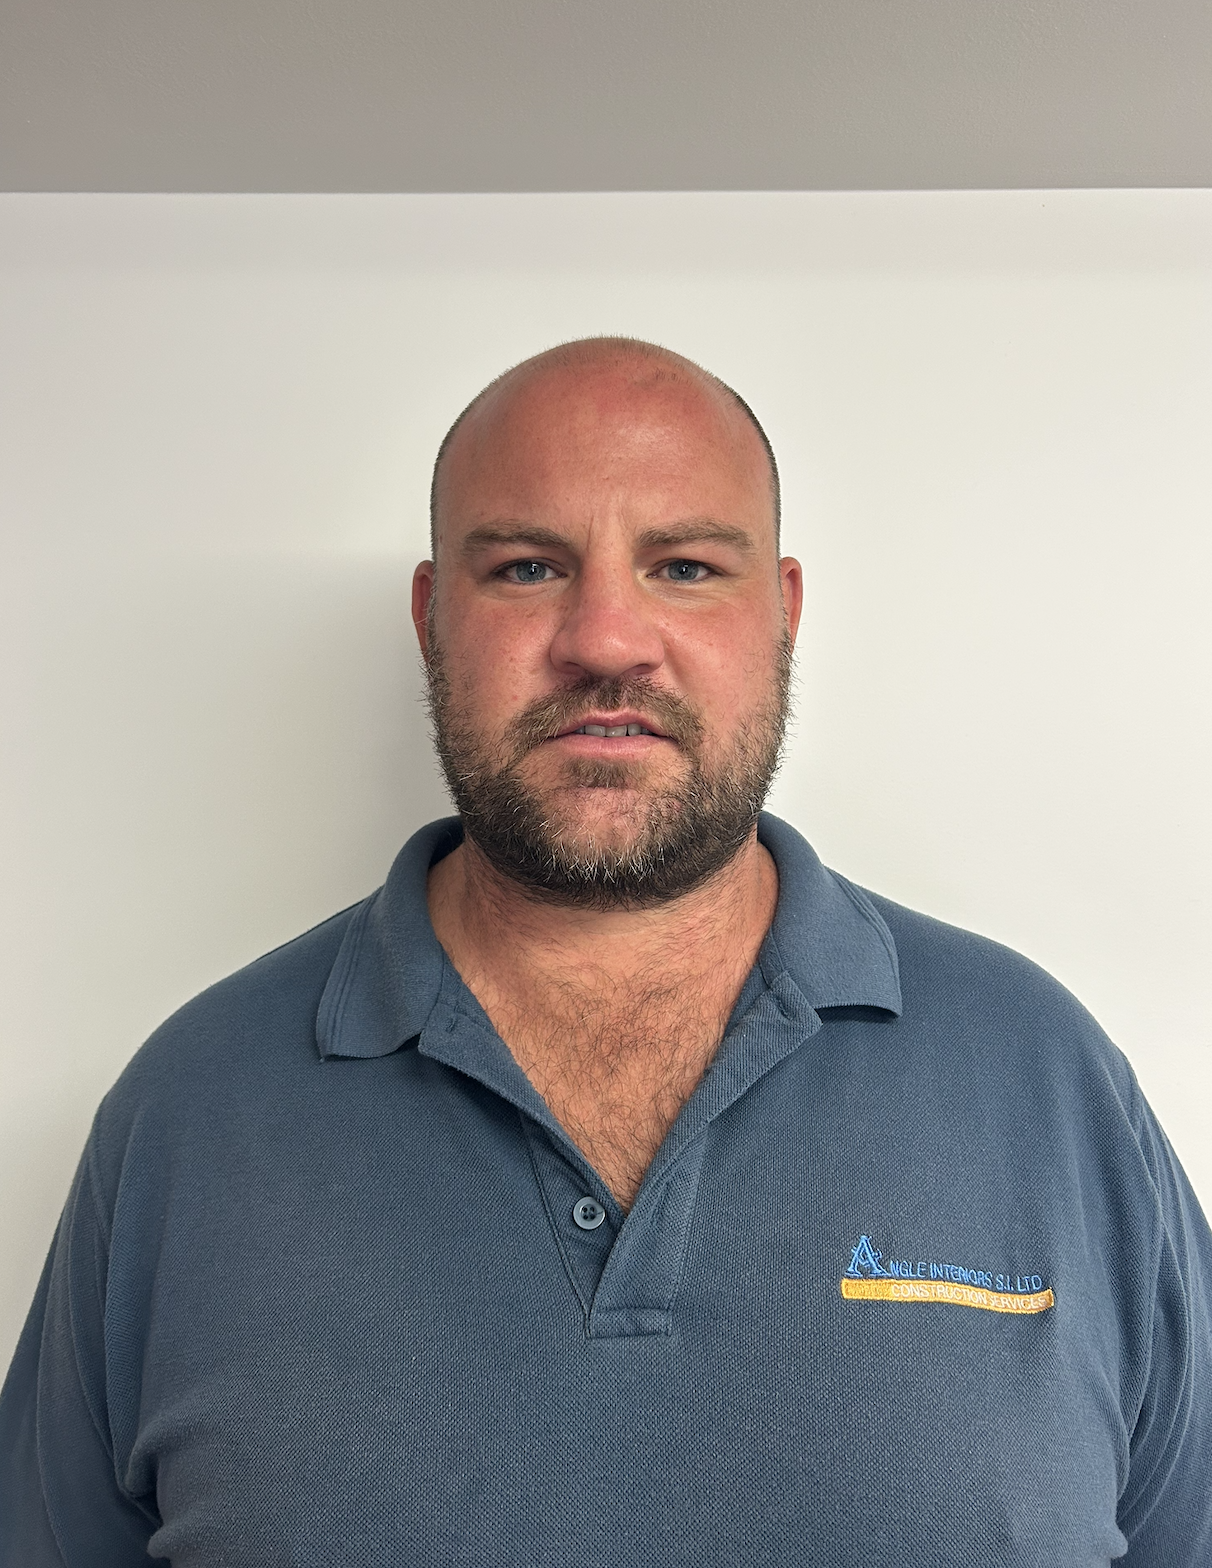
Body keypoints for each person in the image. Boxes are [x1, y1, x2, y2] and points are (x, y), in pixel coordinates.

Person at [1, 336, 1209, 1566]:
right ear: (431, 619)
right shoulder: (188, 1113)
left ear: (782, 613)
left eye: (684, 565)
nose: (607, 639)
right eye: (528, 567)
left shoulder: (1045, 1081)